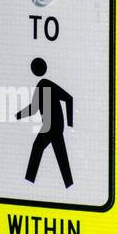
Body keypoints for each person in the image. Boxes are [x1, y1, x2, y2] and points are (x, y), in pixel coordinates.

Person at [14, 57, 74, 188]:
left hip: (52, 126)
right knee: (60, 155)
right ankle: (69, 184)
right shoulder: (42, 85)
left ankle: (28, 183)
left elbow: (69, 98)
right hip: (53, 126)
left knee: (37, 148)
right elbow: (34, 108)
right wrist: (17, 115)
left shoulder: (45, 84)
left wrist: (70, 124)